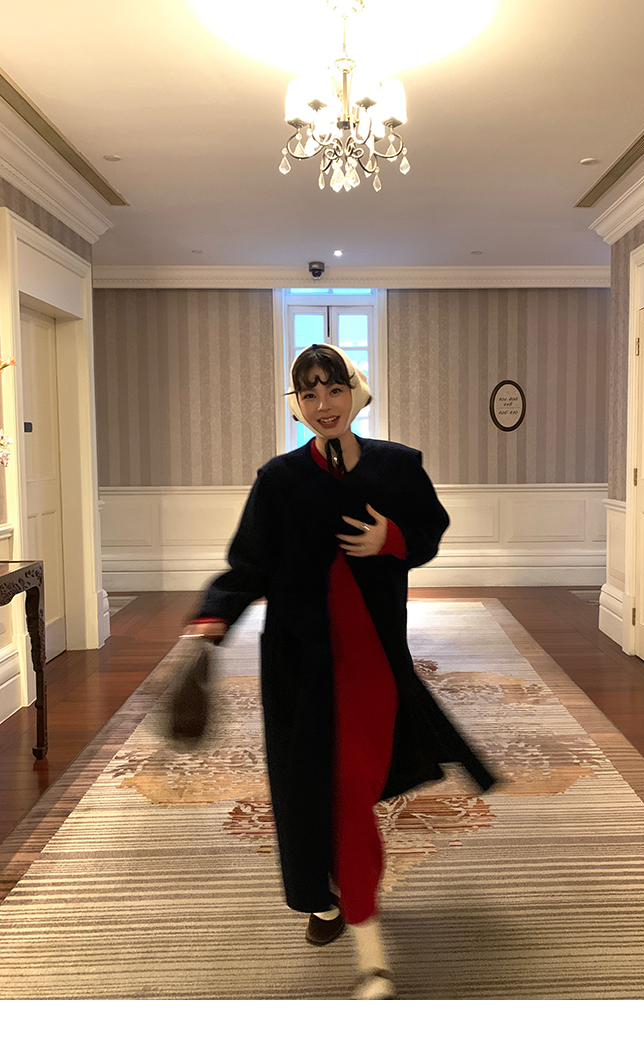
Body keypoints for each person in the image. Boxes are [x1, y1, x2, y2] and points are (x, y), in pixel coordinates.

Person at [184, 343, 497, 999]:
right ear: (296, 404)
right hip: (297, 668)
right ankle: (323, 898)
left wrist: (393, 540)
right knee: (308, 791)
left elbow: (431, 529)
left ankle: (366, 942)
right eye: (309, 393)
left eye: (333, 389)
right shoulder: (278, 480)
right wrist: (211, 619)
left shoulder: (398, 466)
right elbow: (248, 566)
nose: (323, 404)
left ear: (354, 393)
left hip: (373, 663)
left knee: (350, 789)